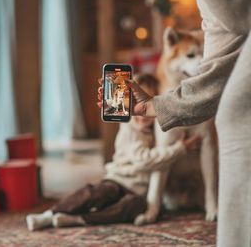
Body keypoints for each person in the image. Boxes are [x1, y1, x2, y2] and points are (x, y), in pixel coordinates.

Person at [99, 0, 251, 246]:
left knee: (236, 115)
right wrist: (151, 107)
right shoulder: (207, 2)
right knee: (231, 115)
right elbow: (217, 65)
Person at [26, 74, 200, 231]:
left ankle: (80, 219)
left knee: (134, 206)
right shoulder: (129, 126)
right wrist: (179, 149)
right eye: (135, 102)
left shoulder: (157, 131)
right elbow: (143, 160)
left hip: (137, 192)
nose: (141, 115)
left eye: (145, 103)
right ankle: (50, 214)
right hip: (118, 180)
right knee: (96, 193)